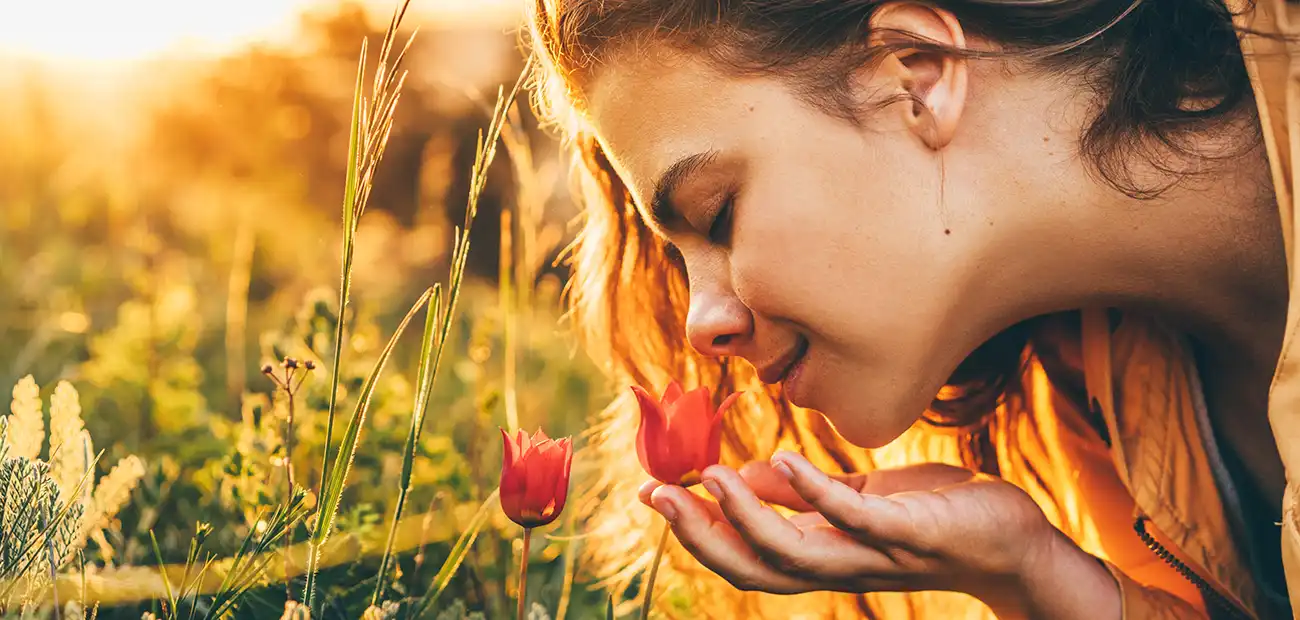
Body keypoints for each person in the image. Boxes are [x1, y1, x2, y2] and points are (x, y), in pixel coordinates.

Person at [523, 0, 1300, 617]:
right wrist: (1036, 576)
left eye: (718, 213)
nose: (702, 323)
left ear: (916, 76)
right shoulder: (1096, 378)